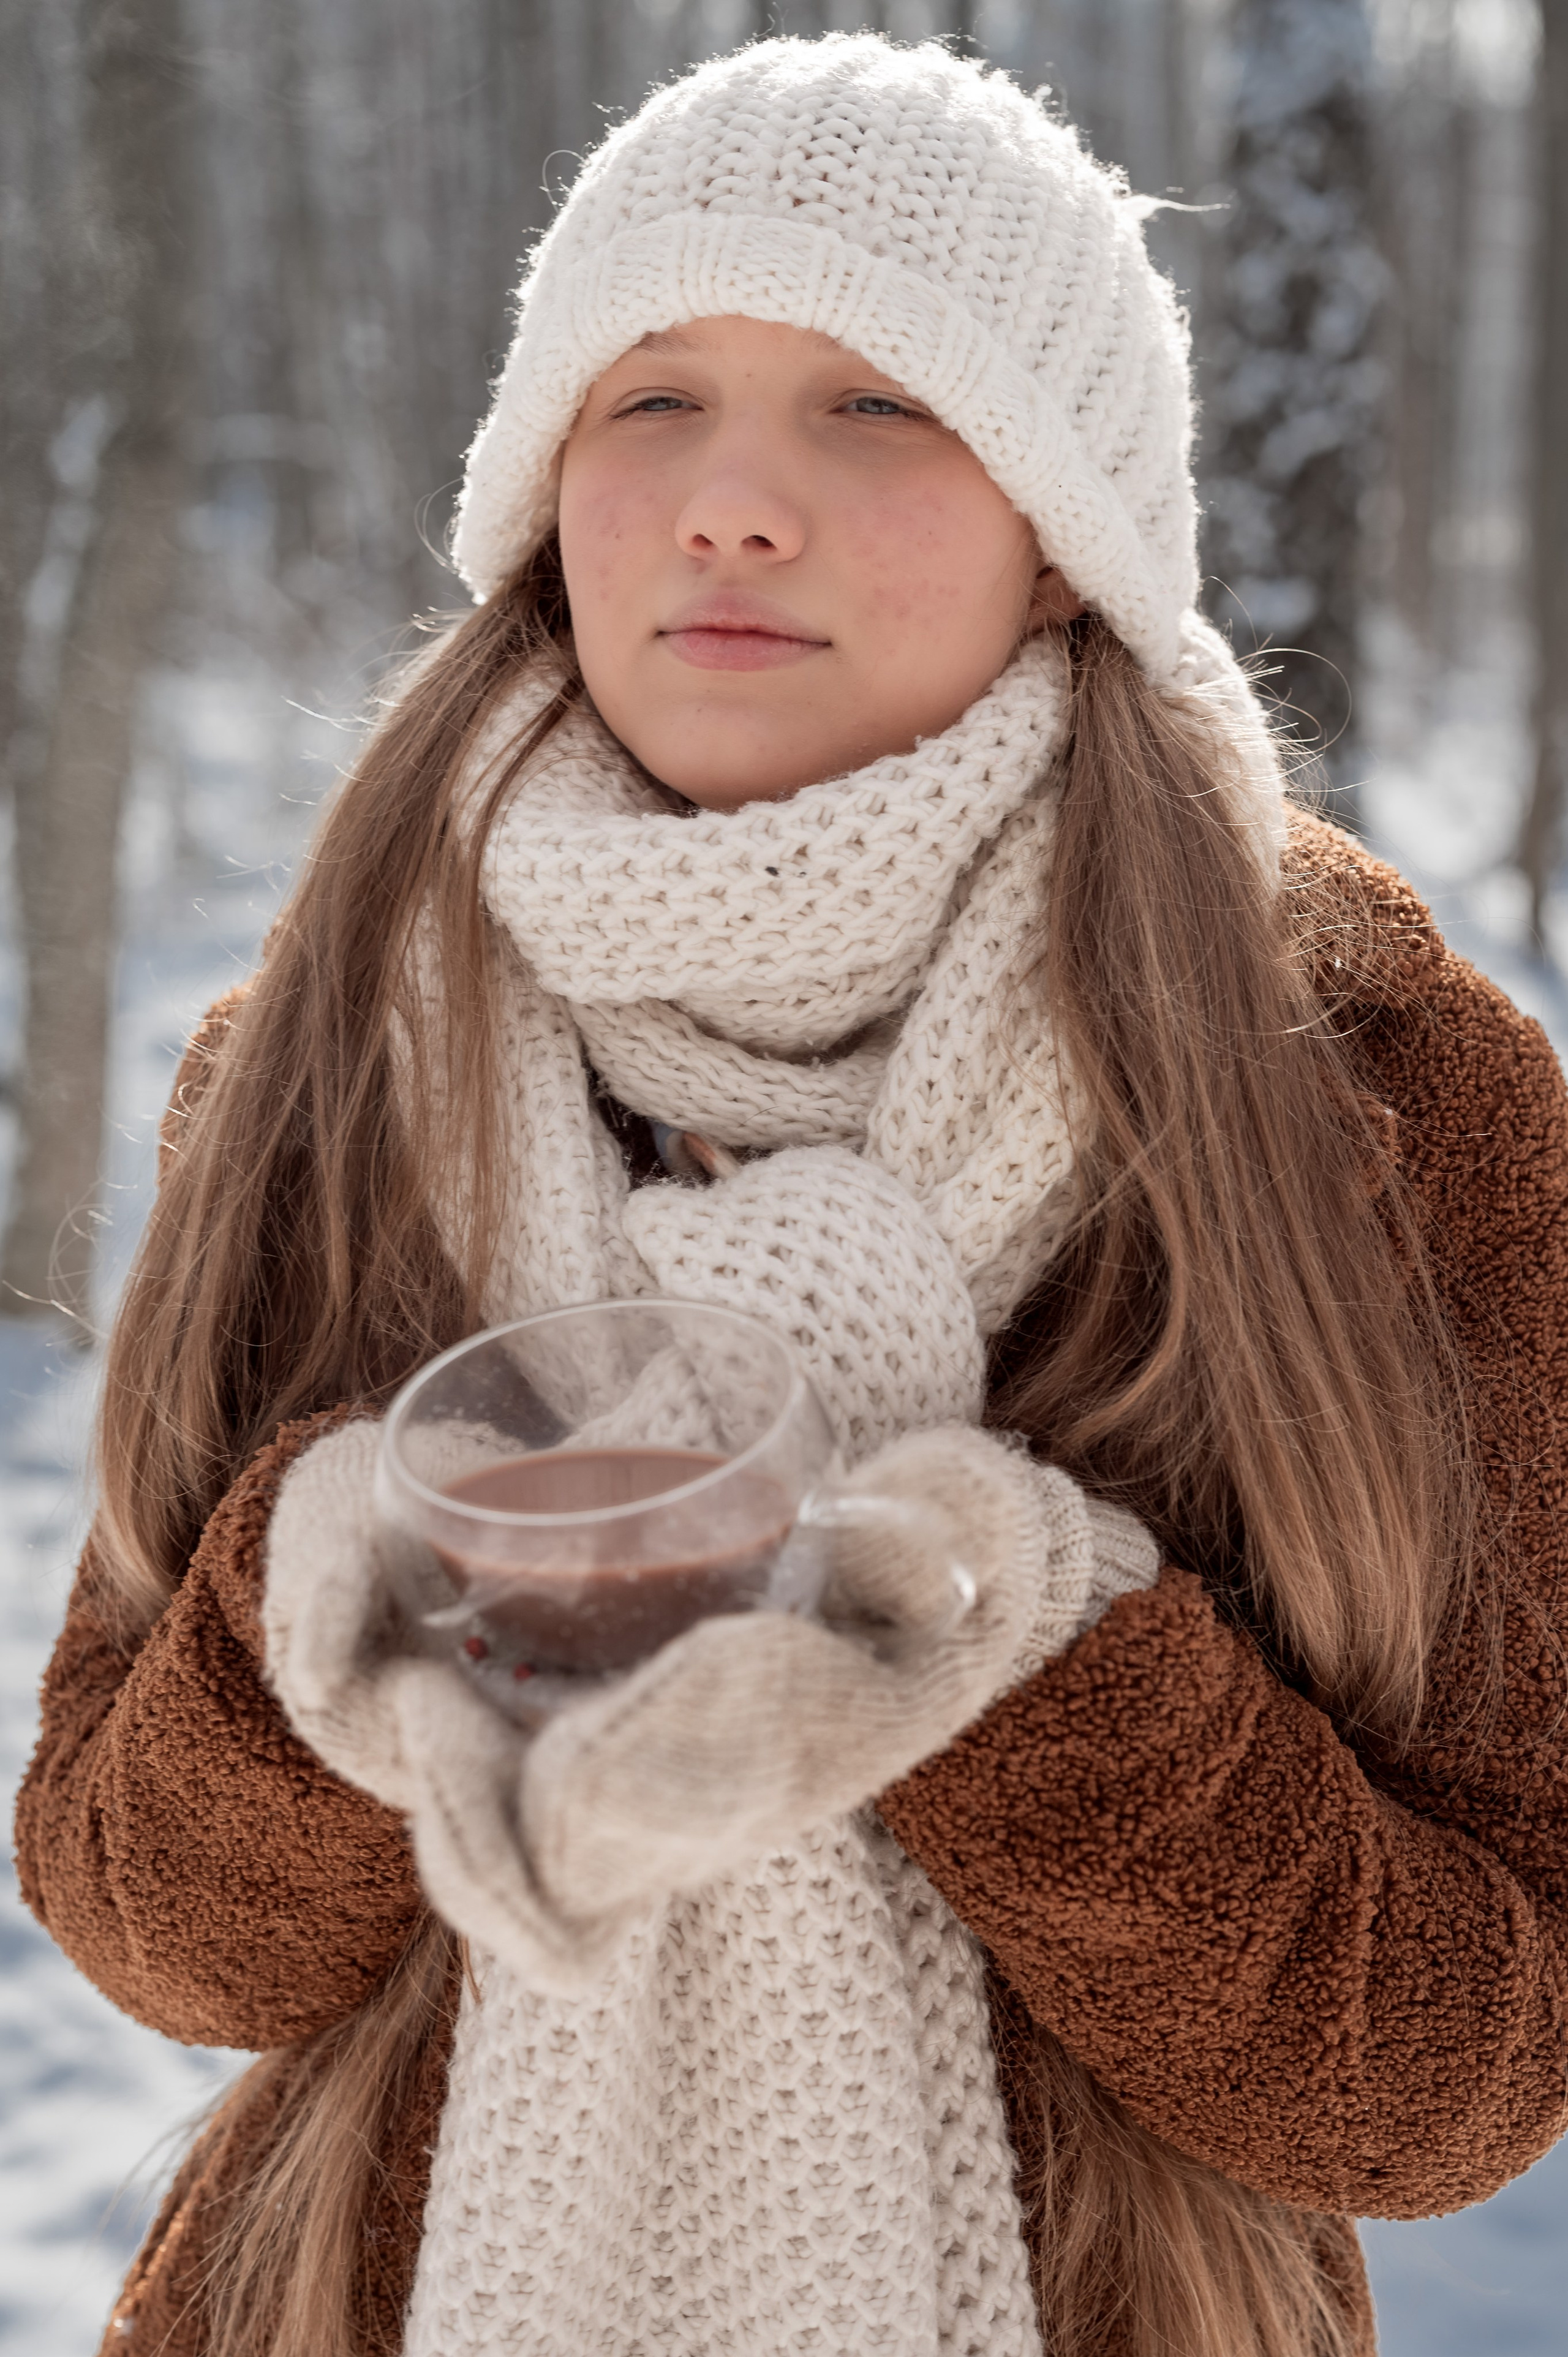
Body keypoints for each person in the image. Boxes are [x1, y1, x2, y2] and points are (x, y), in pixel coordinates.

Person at [15, 32, 1568, 2357]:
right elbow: (150, 1926)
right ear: (544, 488)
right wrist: (345, 1602)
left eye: (881, 403)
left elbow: (1452, 2072)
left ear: (1070, 537)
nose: (736, 501)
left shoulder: (1355, 1089)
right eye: (651, 400)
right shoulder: (336, 1055)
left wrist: (1001, 1647)